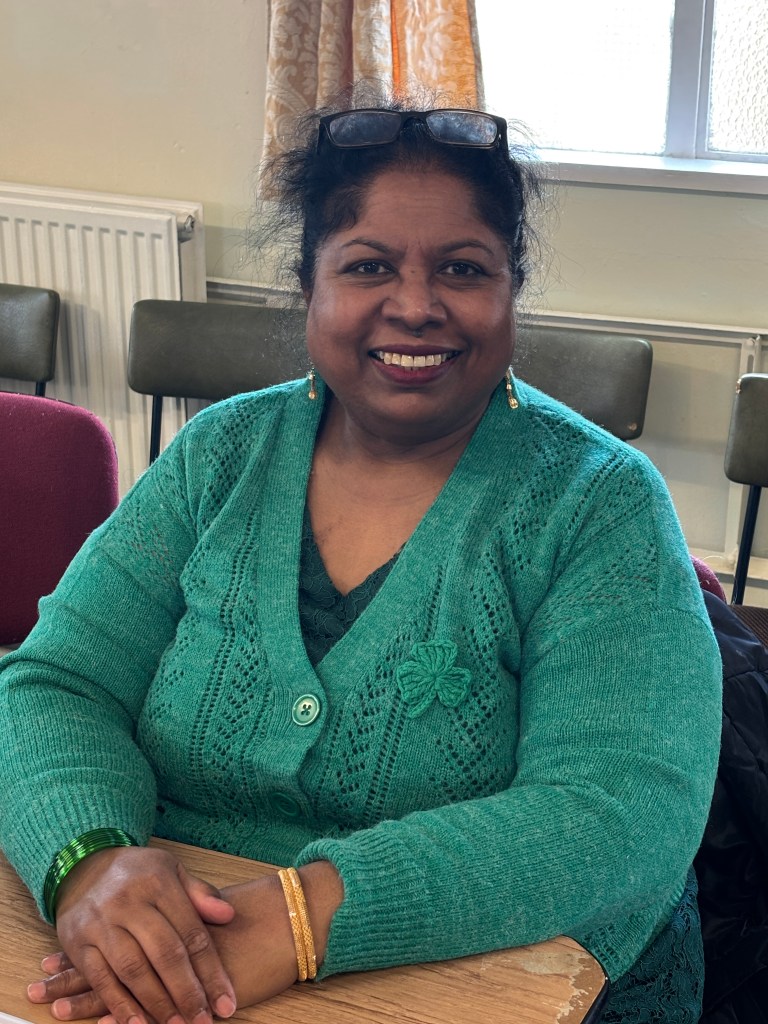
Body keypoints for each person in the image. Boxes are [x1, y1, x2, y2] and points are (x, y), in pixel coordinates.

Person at [0, 97, 722, 1024]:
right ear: (309, 286)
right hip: (165, 964)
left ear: (512, 291)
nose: (416, 306)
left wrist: (305, 919)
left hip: (494, 985)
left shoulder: (597, 503)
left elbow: (619, 810)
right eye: (369, 266)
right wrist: (89, 858)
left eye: (463, 269)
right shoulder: (221, 455)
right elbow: (57, 682)